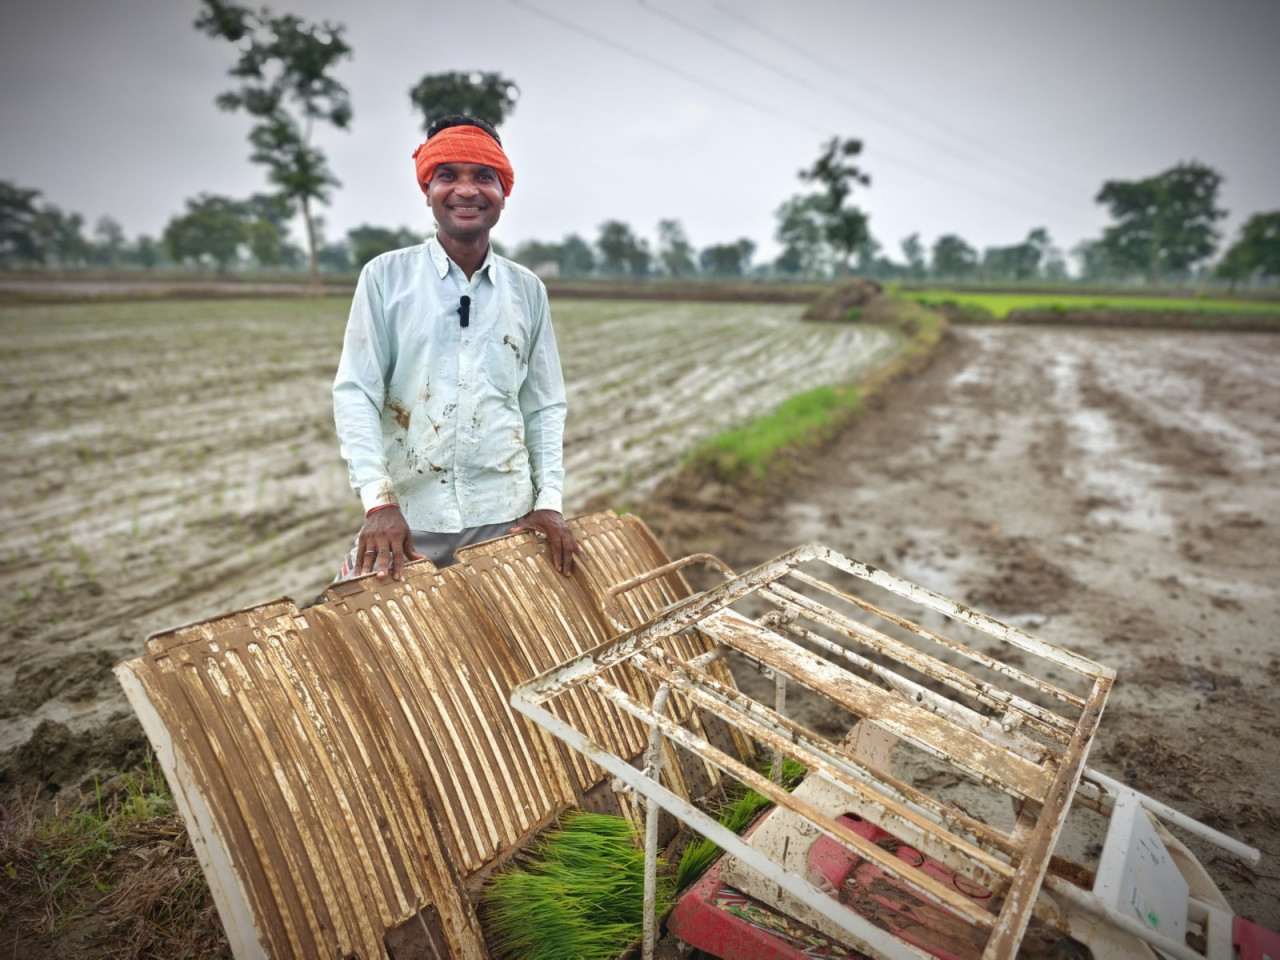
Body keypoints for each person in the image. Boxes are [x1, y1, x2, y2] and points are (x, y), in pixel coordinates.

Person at [332, 115, 579, 583]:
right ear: (427, 189)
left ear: (503, 191)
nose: (466, 190)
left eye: (484, 177)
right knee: (360, 620)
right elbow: (356, 393)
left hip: (507, 518)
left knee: (516, 631)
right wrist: (380, 504)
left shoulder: (527, 289)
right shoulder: (385, 277)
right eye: (448, 175)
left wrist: (549, 502)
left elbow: (543, 405)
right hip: (407, 523)